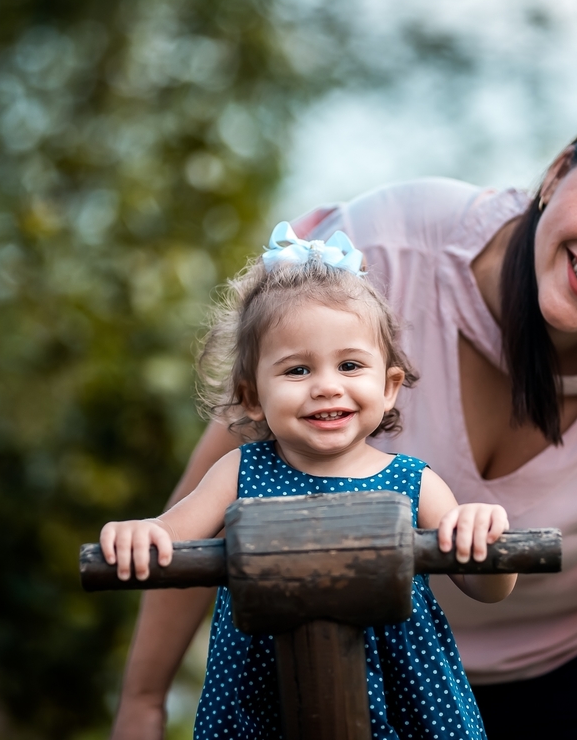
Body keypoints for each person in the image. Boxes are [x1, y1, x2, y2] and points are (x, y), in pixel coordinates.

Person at [111, 88, 577, 739]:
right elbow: (214, 502)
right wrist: (142, 703)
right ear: (558, 172)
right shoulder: (382, 253)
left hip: (573, 683)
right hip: (361, 666)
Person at [99, 228, 516, 740]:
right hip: (263, 705)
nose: (326, 386)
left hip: (403, 707)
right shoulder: (239, 473)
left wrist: (479, 533)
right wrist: (139, 534)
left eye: (349, 365)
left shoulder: (413, 483)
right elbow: (167, 539)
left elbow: (487, 589)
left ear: (388, 388)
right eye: (297, 369)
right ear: (253, 398)